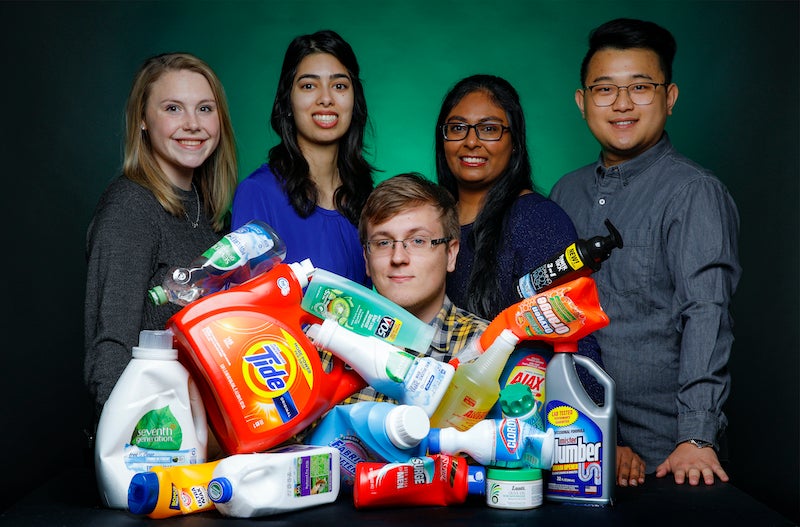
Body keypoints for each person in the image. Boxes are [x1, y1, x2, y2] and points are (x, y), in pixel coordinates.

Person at [550, 18, 741, 488]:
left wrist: (696, 438)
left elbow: (707, 312)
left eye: (640, 87)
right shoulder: (564, 192)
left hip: (665, 457)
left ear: (669, 98)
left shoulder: (693, 191)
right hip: (569, 442)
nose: (621, 104)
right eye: (604, 89)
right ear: (582, 102)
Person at [434, 74, 607, 409]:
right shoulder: (429, 221)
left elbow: (573, 333)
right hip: (439, 415)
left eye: (489, 128)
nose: (471, 141)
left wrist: (592, 434)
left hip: (518, 423)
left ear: (514, 141)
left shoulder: (537, 220)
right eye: (457, 128)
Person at [84, 53, 238, 417]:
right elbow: (111, 347)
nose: (192, 124)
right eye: (173, 108)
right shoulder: (130, 207)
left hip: (205, 435)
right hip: (156, 440)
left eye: (205, 109)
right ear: (142, 119)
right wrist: (132, 446)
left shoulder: (212, 211)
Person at [232, 29, 374, 285]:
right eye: (309, 86)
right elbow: (246, 311)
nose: (326, 99)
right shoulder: (258, 193)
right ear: (287, 101)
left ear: (355, 101)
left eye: (339, 85)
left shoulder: (365, 196)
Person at [341, 172, 489, 404]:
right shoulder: (332, 344)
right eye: (383, 243)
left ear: (450, 254)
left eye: (418, 240)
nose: (398, 257)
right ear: (366, 259)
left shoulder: (486, 348)